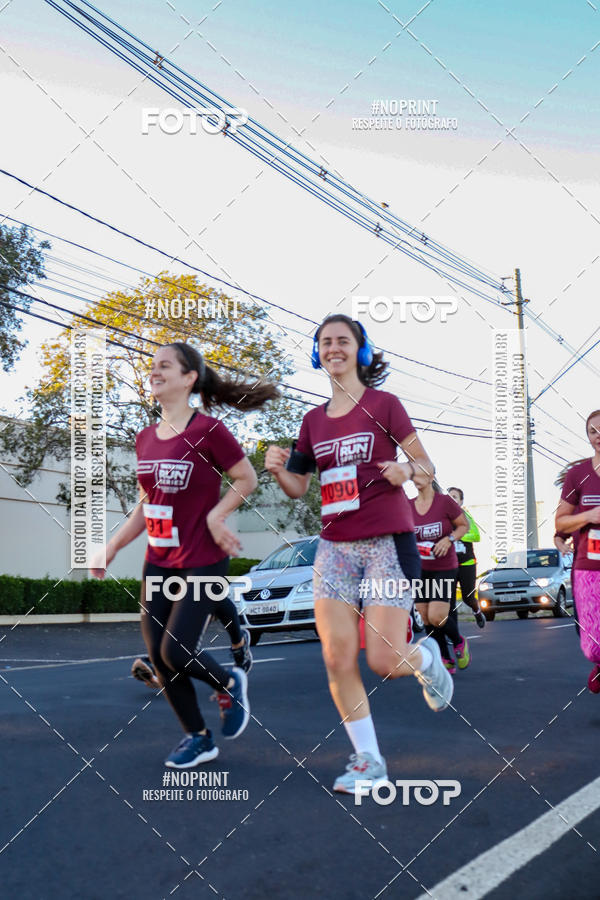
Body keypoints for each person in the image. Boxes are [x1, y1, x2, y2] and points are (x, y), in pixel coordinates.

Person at [265, 314, 453, 795]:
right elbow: (298, 488)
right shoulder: (311, 421)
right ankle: (369, 761)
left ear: (360, 351)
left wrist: (406, 470)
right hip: (335, 548)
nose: (333, 348)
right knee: (336, 657)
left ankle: (426, 658)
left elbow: (427, 465)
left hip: (387, 542)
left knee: (384, 661)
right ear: (317, 354)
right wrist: (277, 470)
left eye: (342, 341)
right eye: (325, 342)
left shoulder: (384, 406)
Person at [92, 342, 278, 767]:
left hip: (204, 556)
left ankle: (229, 680)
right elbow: (147, 504)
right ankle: (198, 736)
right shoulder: (145, 438)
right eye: (152, 366)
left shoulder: (208, 431)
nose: (154, 372)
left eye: (164, 366)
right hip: (159, 559)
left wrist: (218, 515)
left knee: (176, 651)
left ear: (189, 378)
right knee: (158, 654)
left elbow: (246, 478)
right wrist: (113, 545)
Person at [555, 412, 600, 693]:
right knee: (593, 646)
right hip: (589, 565)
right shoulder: (578, 474)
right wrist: (590, 516)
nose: (599, 435)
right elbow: (562, 521)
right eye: (593, 431)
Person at [410, 475, 469, 674]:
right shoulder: (408, 506)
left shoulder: (445, 502)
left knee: (437, 616)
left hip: (444, 566)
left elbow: (464, 526)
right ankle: (445, 657)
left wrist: (449, 539)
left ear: (430, 477)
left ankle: (459, 641)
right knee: (425, 616)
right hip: (419, 568)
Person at [447, 488, 486, 629]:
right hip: (448, 565)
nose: (451, 499)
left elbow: (476, 536)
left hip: (467, 562)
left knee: (467, 597)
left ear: (461, 501)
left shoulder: (465, 516)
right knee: (448, 600)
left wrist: (457, 535)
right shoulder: (442, 518)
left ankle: (477, 612)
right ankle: (453, 631)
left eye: (455, 497)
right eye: (449, 496)